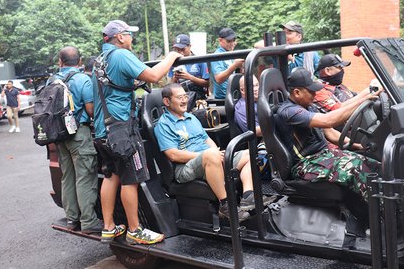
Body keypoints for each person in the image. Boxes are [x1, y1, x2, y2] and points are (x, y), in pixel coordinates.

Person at [93, 20, 183, 245]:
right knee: (131, 179)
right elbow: (153, 76)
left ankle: (108, 226)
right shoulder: (121, 55)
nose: (132, 39)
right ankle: (135, 230)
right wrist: (171, 57)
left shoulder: (100, 59)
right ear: (120, 37)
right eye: (129, 35)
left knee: (111, 176)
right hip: (123, 130)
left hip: (103, 129)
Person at [275, 68, 381, 230]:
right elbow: (328, 121)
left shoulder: (308, 106)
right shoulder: (289, 112)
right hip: (305, 164)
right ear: (297, 92)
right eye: (311, 91)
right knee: (355, 169)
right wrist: (363, 99)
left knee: (373, 164)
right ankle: (382, 216)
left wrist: (359, 147)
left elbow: (330, 133)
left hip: (324, 155)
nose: (315, 95)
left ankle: (372, 212)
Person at [155, 83, 257, 222]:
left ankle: (248, 197)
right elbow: (173, 155)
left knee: (249, 153)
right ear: (167, 101)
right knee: (211, 155)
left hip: (208, 158)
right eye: (180, 98)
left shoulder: (191, 118)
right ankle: (225, 205)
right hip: (185, 167)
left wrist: (217, 154)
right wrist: (207, 156)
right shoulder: (163, 125)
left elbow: (207, 140)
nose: (185, 100)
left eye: (185, 96)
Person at [52, 46, 100, 233]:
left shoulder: (52, 79)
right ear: (79, 62)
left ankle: (72, 219)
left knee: (68, 177)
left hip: (59, 135)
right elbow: (90, 110)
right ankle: (88, 222)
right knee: (85, 176)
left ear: (60, 62)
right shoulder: (82, 79)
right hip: (78, 134)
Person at [169, 34, 210, 100]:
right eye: (177, 50)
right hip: (180, 99)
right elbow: (171, 86)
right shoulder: (173, 63)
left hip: (199, 98)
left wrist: (190, 77)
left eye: (183, 49)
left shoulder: (199, 61)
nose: (180, 52)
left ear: (190, 46)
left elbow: (207, 84)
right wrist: (175, 78)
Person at [210, 28, 244, 99]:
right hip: (223, 99)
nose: (232, 44)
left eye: (234, 40)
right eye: (229, 41)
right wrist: (234, 65)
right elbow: (218, 79)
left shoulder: (231, 53)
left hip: (234, 95)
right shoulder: (217, 55)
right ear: (220, 40)